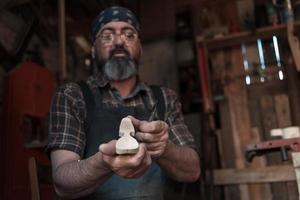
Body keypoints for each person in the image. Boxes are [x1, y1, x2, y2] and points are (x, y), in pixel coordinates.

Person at [47, 6, 200, 200]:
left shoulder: (164, 98)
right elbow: (62, 183)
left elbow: (192, 171)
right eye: (107, 36)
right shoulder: (72, 96)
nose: (119, 41)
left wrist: (164, 148)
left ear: (140, 49)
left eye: (129, 35)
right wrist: (103, 162)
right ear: (93, 50)